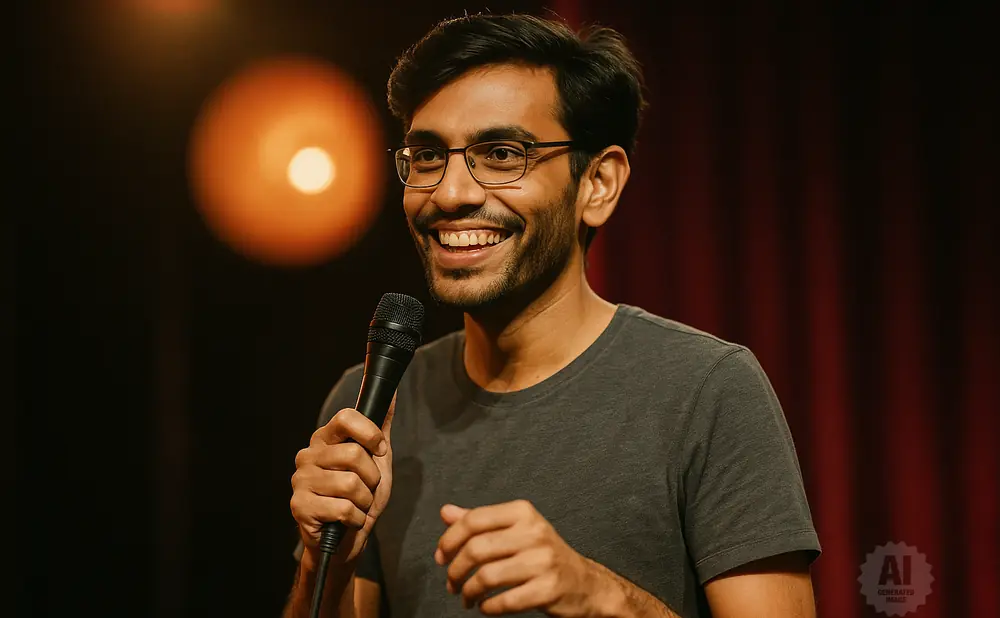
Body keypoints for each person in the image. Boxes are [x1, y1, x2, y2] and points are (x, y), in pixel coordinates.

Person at [284, 12, 821, 618]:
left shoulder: (706, 389)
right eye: (427, 155)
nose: (451, 193)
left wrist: (600, 597)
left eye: (503, 153)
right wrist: (321, 564)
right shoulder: (370, 408)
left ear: (598, 183)